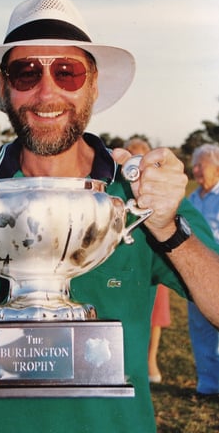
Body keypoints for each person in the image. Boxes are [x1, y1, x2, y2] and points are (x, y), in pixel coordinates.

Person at [0, 0, 219, 433]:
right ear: (4, 87)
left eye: (67, 71)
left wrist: (166, 226)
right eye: (26, 72)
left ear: (93, 84)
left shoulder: (136, 189)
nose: (47, 91)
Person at [124, 138, 171, 383]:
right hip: (127, 261)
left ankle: (151, 359)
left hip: (153, 256)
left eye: (139, 159)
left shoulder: (159, 189)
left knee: (156, 313)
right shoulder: (118, 188)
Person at [188, 143, 219, 395]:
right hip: (195, 272)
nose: (195, 170)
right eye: (194, 165)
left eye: (201, 165)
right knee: (200, 327)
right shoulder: (191, 199)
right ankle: (208, 384)